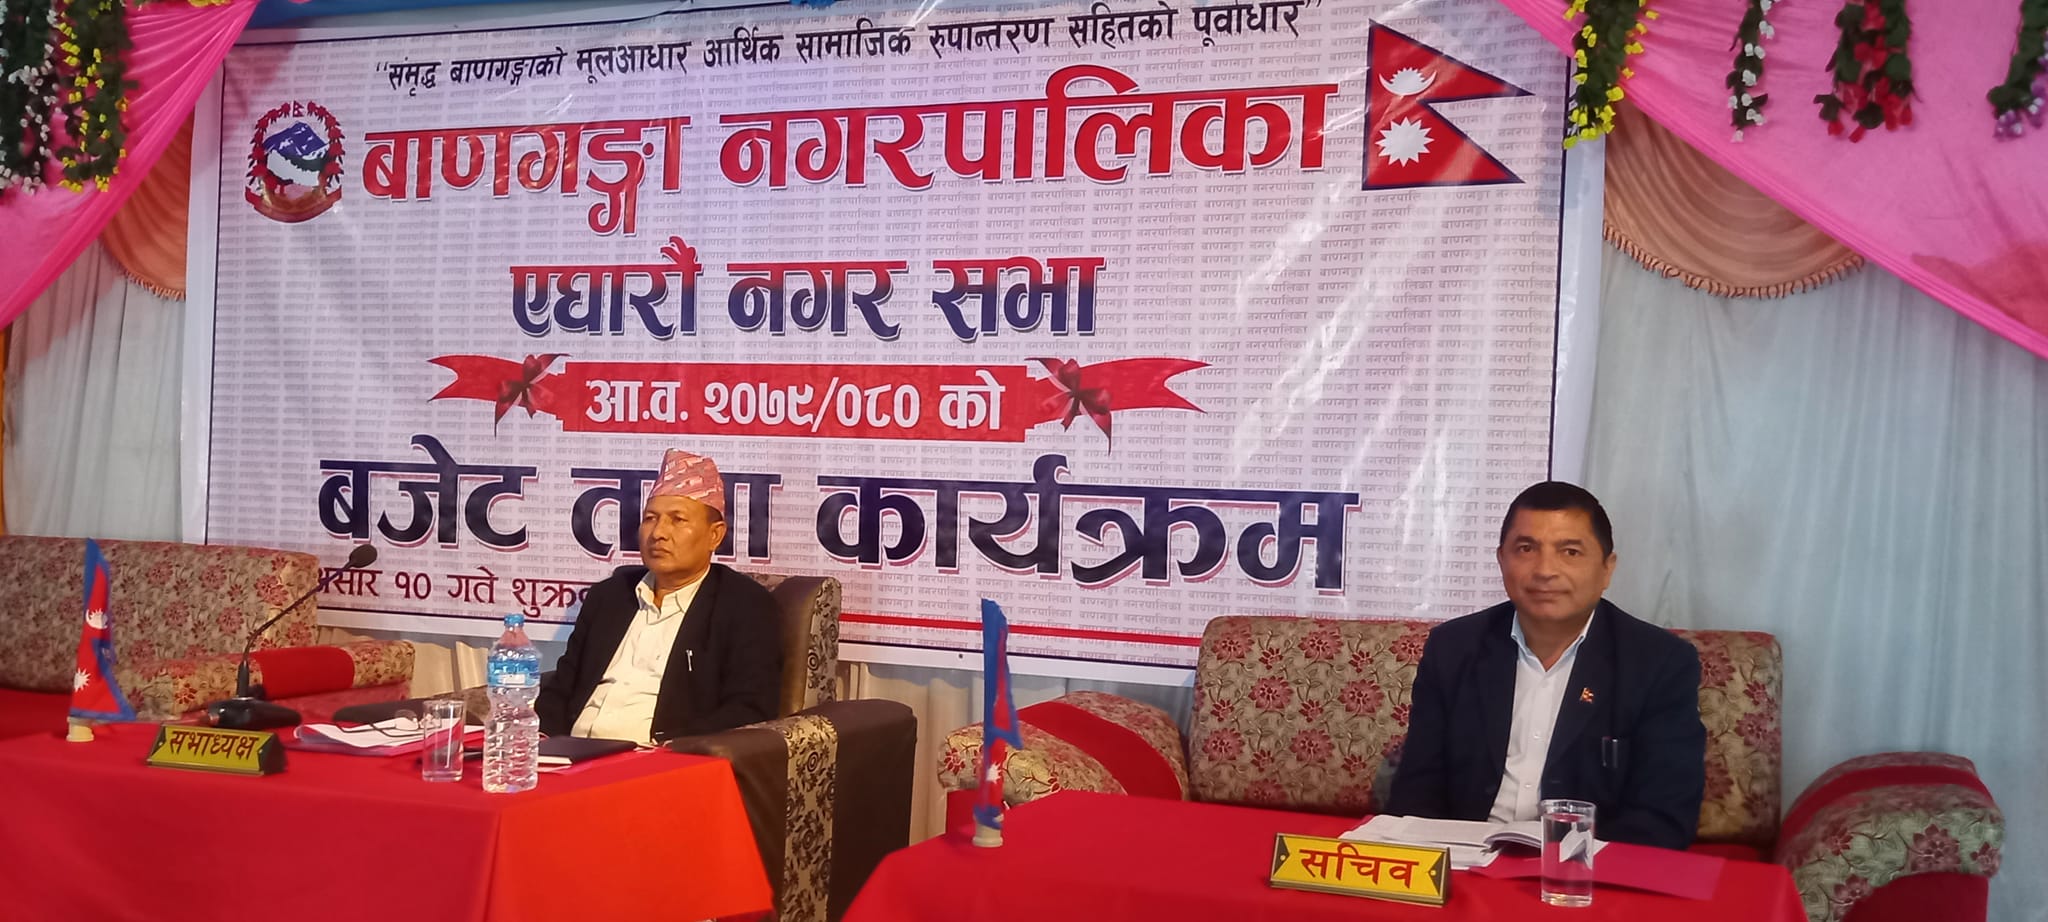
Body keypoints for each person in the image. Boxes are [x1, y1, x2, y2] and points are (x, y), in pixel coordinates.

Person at [1383, 482, 1705, 850]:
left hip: (1585, 869)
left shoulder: (1659, 662)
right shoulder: (1454, 648)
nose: (1545, 570)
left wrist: (1565, 863)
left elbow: (1663, 818)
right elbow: (1416, 793)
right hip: (1466, 860)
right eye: (1526, 549)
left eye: (1570, 552)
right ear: (1502, 560)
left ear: (1607, 569)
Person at [536, 448, 784, 744]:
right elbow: (563, 685)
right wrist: (541, 739)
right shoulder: (609, 596)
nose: (658, 533)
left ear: (715, 535)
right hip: (571, 754)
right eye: (650, 518)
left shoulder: (744, 606)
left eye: (678, 520)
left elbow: (749, 709)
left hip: (663, 756)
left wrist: (667, 747)